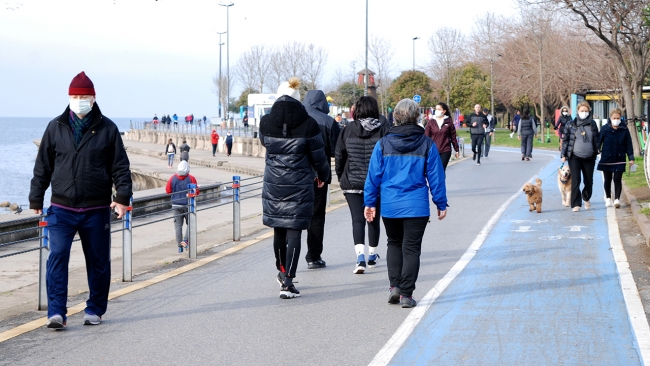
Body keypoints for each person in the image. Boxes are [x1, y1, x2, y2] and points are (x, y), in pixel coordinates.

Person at [29, 71, 132, 329]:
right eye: (75, 96)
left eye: (83, 96)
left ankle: (95, 309)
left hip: (96, 209)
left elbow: (120, 167)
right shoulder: (55, 127)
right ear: (69, 97)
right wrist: (36, 198)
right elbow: (42, 166)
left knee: (98, 261)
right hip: (61, 208)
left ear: (94, 98)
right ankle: (56, 312)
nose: (79, 100)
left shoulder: (108, 129)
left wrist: (121, 198)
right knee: (58, 256)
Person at [363, 98, 447, 308]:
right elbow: (436, 176)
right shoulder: (426, 143)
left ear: (396, 117)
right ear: (417, 117)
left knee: (394, 243)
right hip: (417, 205)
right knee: (411, 248)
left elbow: (373, 176)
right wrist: (441, 203)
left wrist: (370, 203)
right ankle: (407, 295)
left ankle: (395, 287)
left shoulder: (383, 144)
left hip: (391, 204)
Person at [259, 77, 330, 299]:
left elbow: (265, 143)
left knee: (278, 229)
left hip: (274, 183)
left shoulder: (265, 122)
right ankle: (288, 280)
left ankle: (281, 271)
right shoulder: (309, 124)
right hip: (300, 185)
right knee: (295, 230)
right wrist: (323, 176)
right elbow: (319, 157)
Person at [335, 96, 389, 274]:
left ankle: (360, 259)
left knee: (357, 219)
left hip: (352, 181)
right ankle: (372, 255)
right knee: (373, 217)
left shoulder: (347, 129)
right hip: (376, 183)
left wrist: (341, 176)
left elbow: (340, 156)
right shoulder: (384, 129)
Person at [303, 90, 341, 269]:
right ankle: (313, 256)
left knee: (293, 215)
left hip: (297, 175)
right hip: (319, 174)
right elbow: (336, 150)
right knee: (317, 216)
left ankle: (286, 258)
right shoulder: (328, 121)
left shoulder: (298, 117)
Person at [561, 101, 600, 212]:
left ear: (589, 111)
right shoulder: (571, 124)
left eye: (586, 111)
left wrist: (598, 150)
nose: (584, 113)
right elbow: (566, 140)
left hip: (590, 156)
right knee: (576, 180)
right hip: (575, 157)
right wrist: (563, 154)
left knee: (588, 181)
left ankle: (586, 197)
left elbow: (596, 138)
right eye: (582, 111)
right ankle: (576, 204)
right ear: (578, 111)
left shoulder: (592, 124)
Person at [598, 108, 634, 208]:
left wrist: (631, 157)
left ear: (621, 118)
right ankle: (608, 198)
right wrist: (597, 150)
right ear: (610, 118)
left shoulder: (624, 129)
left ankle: (617, 199)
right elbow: (599, 141)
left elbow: (628, 144)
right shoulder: (604, 129)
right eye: (614, 118)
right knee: (607, 179)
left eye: (618, 118)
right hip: (607, 159)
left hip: (620, 158)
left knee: (617, 179)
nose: (616, 120)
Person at [165, 161, 200, 254]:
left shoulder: (172, 178)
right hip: (188, 205)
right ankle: (186, 240)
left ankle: (179, 248)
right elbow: (196, 191)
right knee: (191, 223)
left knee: (178, 226)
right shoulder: (191, 178)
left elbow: (168, 191)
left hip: (176, 205)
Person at [424, 102, 460, 170]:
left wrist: (457, 150)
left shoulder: (449, 122)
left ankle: (441, 180)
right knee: (434, 170)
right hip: (433, 150)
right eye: (436, 109)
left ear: (444, 111)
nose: (437, 111)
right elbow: (426, 137)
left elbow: (453, 137)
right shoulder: (431, 122)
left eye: (439, 109)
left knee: (441, 170)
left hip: (445, 150)